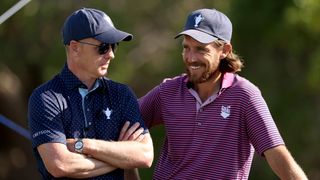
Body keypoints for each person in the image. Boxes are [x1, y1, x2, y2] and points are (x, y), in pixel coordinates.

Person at [139, 8, 308, 179]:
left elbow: (277, 155)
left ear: (225, 50)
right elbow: (119, 121)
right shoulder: (168, 91)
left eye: (200, 49)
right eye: (186, 48)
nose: (191, 58)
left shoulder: (244, 96)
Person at [28, 8, 153, 179]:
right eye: (103, 47)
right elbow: (60, 164)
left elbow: (145, 156)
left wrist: (84, 146)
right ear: (75, 48)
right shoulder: (46, 97)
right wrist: (121, 157)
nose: (111, 55)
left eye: (113, 46)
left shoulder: (122, 94)